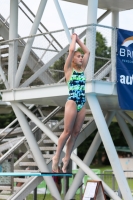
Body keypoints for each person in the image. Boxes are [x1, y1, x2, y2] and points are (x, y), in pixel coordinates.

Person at [52, 33, 90, 173]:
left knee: (75, 133)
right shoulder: (69, 69)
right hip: (72, 101)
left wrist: (80, 40)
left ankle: (66, 158)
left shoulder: (82, 69)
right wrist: (74, 39)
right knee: (67, 131)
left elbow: (88, 52)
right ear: (73, 59)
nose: (81, 58)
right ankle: (56, 157)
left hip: (82, 102)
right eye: (78, 57)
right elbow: (72, 50)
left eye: (81, 57)